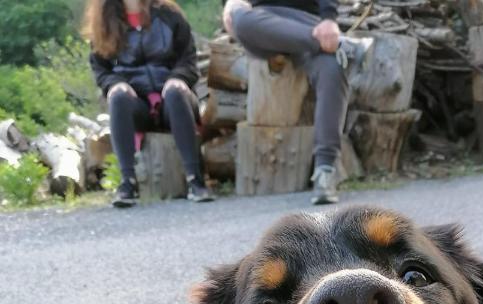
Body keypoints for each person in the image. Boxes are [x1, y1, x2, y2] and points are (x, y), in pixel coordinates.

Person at [222, 0, 372, 204]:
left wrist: (329, 19)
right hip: (265, 25)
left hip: (306, 24)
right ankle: (344, 45)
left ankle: (325, 170)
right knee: (241, 19)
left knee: (333, 66)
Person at [84, 0, 213, 207]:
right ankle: (127, 183)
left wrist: (178, 78)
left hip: (173, 100)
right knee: (117, 97)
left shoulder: (168, 15)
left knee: (175, 92)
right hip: (138, 104)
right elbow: (101, 69)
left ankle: (195, 180)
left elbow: (188, 59)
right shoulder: (104, 23)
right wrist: (115, 84)